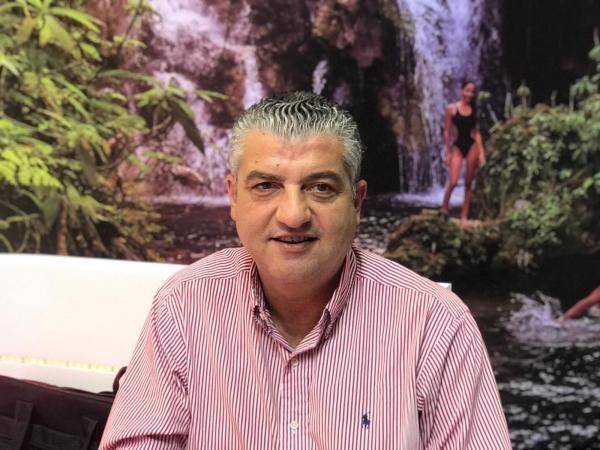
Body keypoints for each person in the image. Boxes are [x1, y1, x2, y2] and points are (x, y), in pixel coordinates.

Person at [99, 92, 511, 449]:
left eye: (321, 187)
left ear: (357, 202)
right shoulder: (185, 305)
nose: (293, 215)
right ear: (233, 197)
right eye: (266, 186)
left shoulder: (436, 325)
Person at [441, 81, 486, 226]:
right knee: (453, 181)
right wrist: (447, 151)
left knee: (468, 184)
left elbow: (476, 132)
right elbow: (446, 131)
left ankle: (463, 217)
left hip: (472, 146)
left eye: (472, 92)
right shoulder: (451, 109)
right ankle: (443, 209)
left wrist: (481, 153)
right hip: (457, 146)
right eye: (467, 90)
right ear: (461, 91)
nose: (470, 94)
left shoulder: (474, 110)